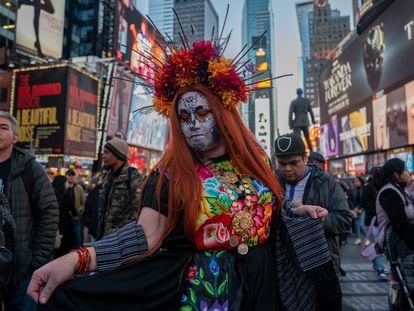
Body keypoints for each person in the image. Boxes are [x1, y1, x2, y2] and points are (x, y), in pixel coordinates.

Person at [27, 37, 342, 310]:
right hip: (208, 287)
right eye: (184, 116)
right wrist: (75, 260)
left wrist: (291, 211)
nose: (192, 123)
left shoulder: (252, 162)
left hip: (263, 284)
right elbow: (144, 235)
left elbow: (259, 208)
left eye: (202, 112)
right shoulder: (171, 173)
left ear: (222, 113)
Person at [0, 111, 59, 310]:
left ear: (15, 137)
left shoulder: (28, 167)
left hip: (22, 270)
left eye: (3, 127)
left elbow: (49, 211)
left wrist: (37, 259)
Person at [274, 133, 353, 276]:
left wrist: (313, 219)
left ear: (305, 158)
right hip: (282, 265)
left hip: (318, 262)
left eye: (293, 163)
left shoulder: (326, 183)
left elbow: (344, 219)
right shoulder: (271, 181)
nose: (287, 169)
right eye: (282, 163)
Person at [375, 158, 414, 309]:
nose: (408, 172)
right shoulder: (389, 192)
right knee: (404, 285)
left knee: (404, 283)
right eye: (404, 170)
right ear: (396, 174)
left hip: (404, 244)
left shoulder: (399, 189)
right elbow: (400, 224)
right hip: (399, 246)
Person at [97, 138, 144, 239]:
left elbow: (137, 210)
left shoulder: (132, 176)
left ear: (117, 154)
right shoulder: (108, 176)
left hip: (121, 238)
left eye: (107, 153)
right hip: (104, 237)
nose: (103, 156)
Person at [359, 167, 387, 281]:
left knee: (377, 245)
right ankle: (379, 268)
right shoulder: (368, 187)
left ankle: (377, 266)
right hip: (372, 221)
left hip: (379, 221)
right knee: (376, 245)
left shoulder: (380, 186)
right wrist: (376, 212)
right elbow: (364, 202)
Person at [51, 175, 76, 257]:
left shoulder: (51, 195)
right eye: (66, 182)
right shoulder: (65, 196)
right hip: (64, 228)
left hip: (54, 226)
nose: (67, 184)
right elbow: (73, 210)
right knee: (63, 252)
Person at [65, 169, 86, 248]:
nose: (71, 177)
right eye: (69, 175)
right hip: (66, 218)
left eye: (72, 175)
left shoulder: (78, 188)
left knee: (78, 238)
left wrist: (79, 211)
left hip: (76, 217)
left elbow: (83, 201)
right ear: (66, 176)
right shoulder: (64, 187)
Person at [350, 176, 367, 245]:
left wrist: (360, 208)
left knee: (361, 225)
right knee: (356, 225)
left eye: (357, 181)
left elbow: (365, 200)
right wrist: (354, 209)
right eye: (355, 181)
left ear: (361, 181)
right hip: (354, 209)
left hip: (362, 209)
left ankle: (367, 238)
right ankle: (358, 238)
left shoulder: (364, 189)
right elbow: (350, 200)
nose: (356, 183)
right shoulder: (352, 190)